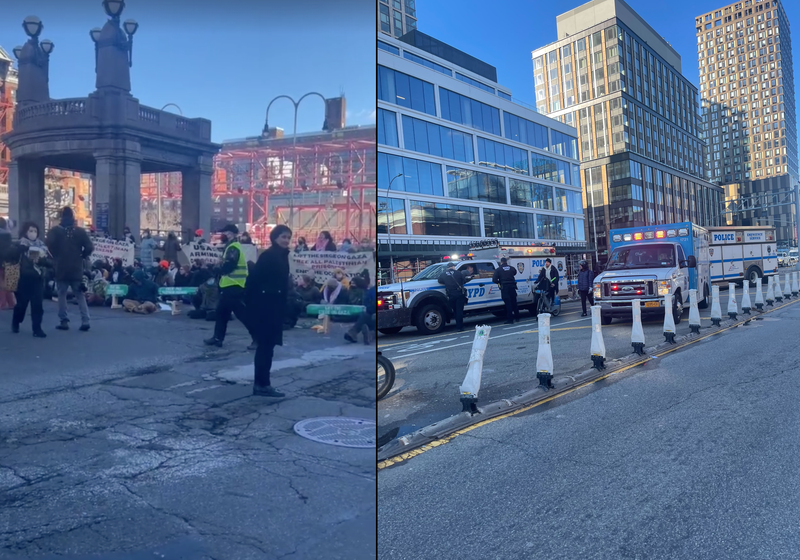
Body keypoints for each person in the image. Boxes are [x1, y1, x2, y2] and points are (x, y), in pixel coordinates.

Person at [246, 224, 293, 398]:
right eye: (283, 237)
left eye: (288, 237)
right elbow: (255, 281)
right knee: (265, 347)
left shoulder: (282, 256)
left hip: (275, 307)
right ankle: (261, 384)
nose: (286, 240)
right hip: (266, 308)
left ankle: (263, 383)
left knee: (268, 347)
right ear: (274, 238)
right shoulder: (269, 256)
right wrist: (254, 306)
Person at [204, 224, 255, 349]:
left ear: (231, 234)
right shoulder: (230, 247)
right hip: (229, 285)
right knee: (222, 313)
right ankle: (217, 338)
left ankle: (258, 338)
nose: (223, 235)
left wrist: (213, 267)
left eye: (225, 232)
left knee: (242, 314)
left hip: (234, 286)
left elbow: (228, 267)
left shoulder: (233, 248)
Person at [46, 207, 93, 331]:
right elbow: (89, 247)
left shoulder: (54, 231)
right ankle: (85, 320)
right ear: (73, 217)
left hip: (61, 267)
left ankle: (64, 320)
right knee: (79, 294)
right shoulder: (80, 231)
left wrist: (56, 256)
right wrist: (82, 255)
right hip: (76, 267)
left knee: (62, 294)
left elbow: (48, 245)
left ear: (61, 216)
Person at [12, 221, 48, 337]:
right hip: (24, 279)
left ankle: (37, 329)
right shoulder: (20, 244)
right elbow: (11, 256)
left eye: (35, 231)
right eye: (30, 231)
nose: (33, 233)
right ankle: (16, 321)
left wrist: (42, 261)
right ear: (25, 232)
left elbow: (49, 262)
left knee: (37, 305)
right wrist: (21, 250)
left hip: (37, 279)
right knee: (21, 305)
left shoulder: (42, 245)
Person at [438, 262, 471, 332]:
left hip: (451, 294)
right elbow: (464, 281)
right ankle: (460, 327)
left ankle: (457, 325)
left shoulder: (443, 274)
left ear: (447, 267)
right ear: (453, 267)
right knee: (459, 311)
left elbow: (440, 280)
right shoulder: (459, 273)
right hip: (459, 294)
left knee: (455, 311)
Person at [493, 257, 520, 324]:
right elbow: (515, 273)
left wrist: (500, 282)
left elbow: (494, 280)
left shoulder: (498, 270)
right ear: (506, 262)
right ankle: (517, 317)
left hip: (505, 288)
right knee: (514, 302)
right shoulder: (511, 268)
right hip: (512, 287)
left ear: (501, 262)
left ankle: (510, 319)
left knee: (508, 304)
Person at [0, 217, 15, 310]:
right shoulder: (8, 235)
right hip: (7, 260)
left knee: (1, 283)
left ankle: (2, 303)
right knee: (7, 282)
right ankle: (11, 302)